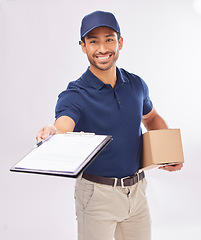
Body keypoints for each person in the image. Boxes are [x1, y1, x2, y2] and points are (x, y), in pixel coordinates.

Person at [36, 11, 183, 240]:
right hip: (97, 196)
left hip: (137, 192)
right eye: (93, 41)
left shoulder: (135, 85)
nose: (102, 48)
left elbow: (151, 118)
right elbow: (63, 124)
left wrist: (169, 152)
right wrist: (54, 131)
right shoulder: (75, 93)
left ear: (120, 42)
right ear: (83, 47)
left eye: (109, 39)